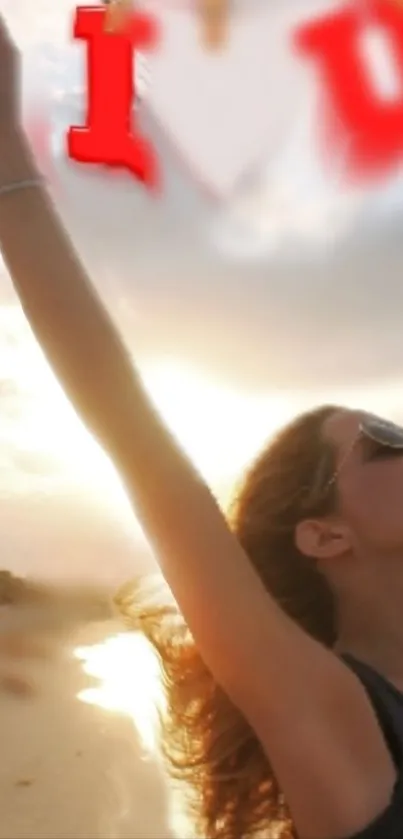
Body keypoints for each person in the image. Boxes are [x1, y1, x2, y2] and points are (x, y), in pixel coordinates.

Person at [0, 15, 403, 839]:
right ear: (323, 535)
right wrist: (9, 162)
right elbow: (142, 450)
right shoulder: (339, 713)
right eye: (383, 442)